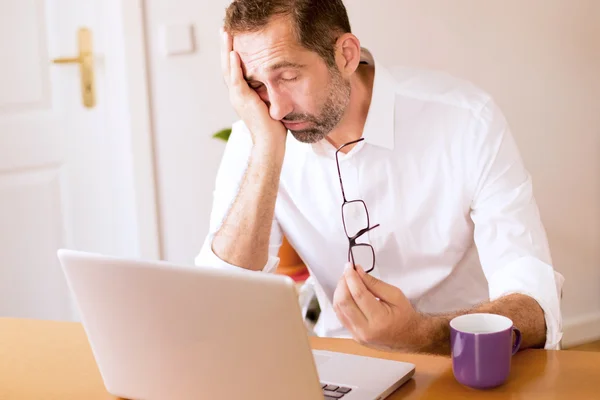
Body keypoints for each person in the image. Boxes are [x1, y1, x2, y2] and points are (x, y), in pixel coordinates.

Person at [195, 0, 564, 355]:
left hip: (460, 356)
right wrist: (265, 150)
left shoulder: (466, 119)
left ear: (346, 55)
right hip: (341, 364)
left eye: (288, 76)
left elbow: (536, 306)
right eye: (255, 84)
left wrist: (418, 334)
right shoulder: (259, 134)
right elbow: (221, 300)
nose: (275, 106)